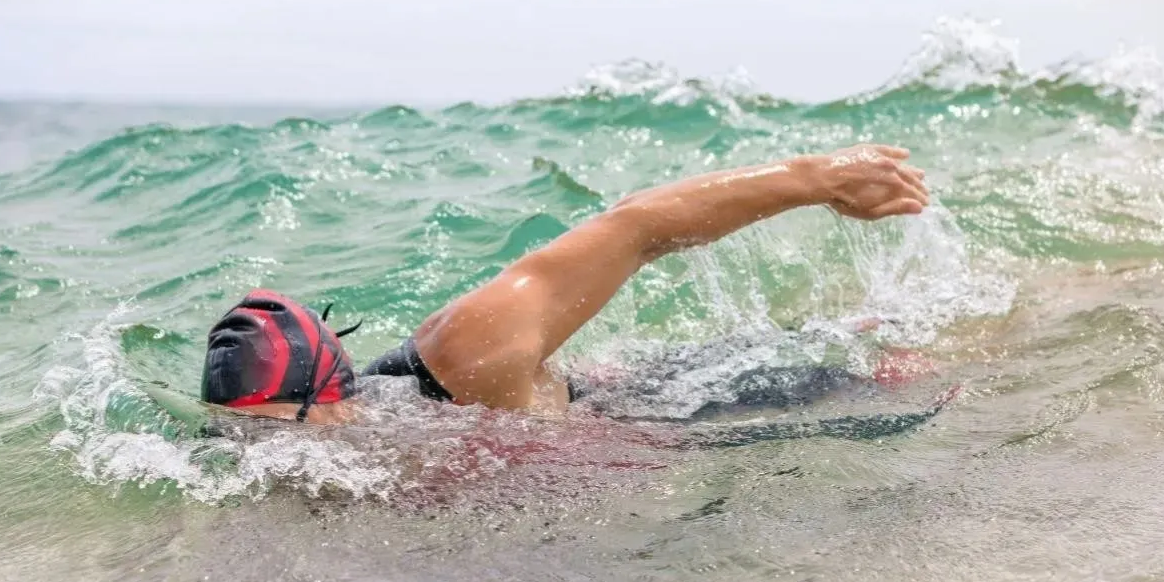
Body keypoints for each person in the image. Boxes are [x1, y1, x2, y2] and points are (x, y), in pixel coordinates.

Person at [201, 144, 930, 425]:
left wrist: (815, 179)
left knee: (908, 368)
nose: (265, 463)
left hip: (687, 408)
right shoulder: (320, 433)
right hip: (602, 408)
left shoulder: (467, 352)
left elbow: (635, 228)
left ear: (325, 404)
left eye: (271, 438)